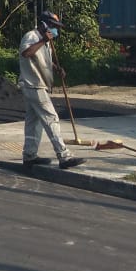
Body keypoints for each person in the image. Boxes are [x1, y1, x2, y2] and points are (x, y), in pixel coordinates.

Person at [18, 11, 85, 169]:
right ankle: (64, 156)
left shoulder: (45, 41)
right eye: (54, 26)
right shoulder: (32, 36)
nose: (56, 30)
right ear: (44, 24)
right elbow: (26, 53)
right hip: (33, 84)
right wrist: (43, 40)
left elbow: (43, 59)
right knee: (51, 118)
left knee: (33, 123)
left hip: (38, 84)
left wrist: (56, 68)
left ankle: (29, 155)